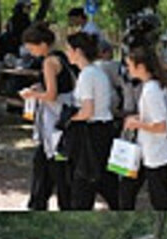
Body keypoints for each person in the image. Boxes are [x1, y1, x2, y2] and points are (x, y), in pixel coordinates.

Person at [22, 24, 77, 210]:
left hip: (54, 120)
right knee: (45, 163)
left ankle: (46, 203)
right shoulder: (61, 57)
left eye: (32, 46)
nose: (30, 51)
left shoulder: (48, 62)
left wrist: (33, 95)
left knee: (54, 165)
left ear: (43, 44)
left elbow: (52, 94)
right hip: (63, 115)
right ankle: (39, 202)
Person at [66, 31, 119, 211]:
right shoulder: (97, 71)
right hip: (103, 129)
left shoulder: (87, 75)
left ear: (78, 51)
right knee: (104, 179)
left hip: (92, 131)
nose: (67, 54)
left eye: (69, 50)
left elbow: (87, 111)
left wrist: (68, 118)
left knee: (84, 181)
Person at [122, 46, 167, 210]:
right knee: (129, 190)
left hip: (154, 152)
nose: (128, 69)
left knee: (159, 198)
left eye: (130, 65)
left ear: (141, 67)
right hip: (151, 151)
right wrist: (140, 119)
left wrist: (137, 124)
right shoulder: (158, 86)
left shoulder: (152, 90)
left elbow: (161, 126)